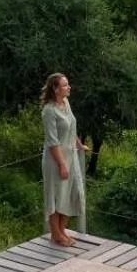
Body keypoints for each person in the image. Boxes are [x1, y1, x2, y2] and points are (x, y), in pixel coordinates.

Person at [40, 72, 88, 247]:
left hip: (71, 156)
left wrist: (79, 145)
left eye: (68, 84)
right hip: (55, 161)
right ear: (55, 88)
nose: (69, 87)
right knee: (55, 196)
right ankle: (55, 234)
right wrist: (61, 165)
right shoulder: (49, 111)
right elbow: (52, 142)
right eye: (65, 85)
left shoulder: (66, 103)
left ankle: (61, 231)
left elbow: (71, 126)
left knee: (70, 193)